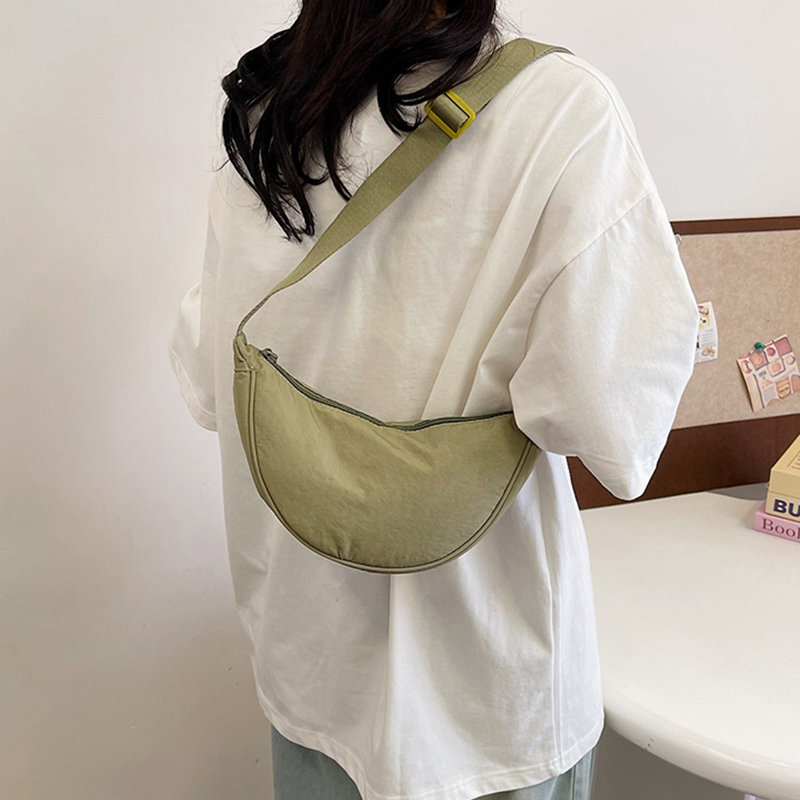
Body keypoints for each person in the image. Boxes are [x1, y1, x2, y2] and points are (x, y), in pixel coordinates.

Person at [167, 1, 699, 798]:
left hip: (309, 663)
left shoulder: (268, 102)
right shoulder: (561, 109)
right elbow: (611, 427)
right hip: (486, 701)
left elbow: (212, 374)